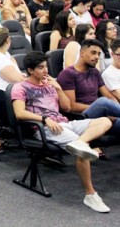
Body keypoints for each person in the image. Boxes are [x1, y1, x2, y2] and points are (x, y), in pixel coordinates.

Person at [11, 51, 112, 212]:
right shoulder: (20, 87)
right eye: (40, 67)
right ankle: (90, 195)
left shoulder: (50, 84)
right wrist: (44, 119)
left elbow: (66, 108)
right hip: (44, 128)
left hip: (65, 123)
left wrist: (58, 88)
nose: (45, 70)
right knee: (83, 152)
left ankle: (81, 142)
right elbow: (19, 113)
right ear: (30, 70)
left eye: (46, 66)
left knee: (105, 121)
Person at [58, 39, 120, 136]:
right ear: (82, 53)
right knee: (102, 102)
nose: (97, 57)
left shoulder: (94, 71)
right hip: (81, 118)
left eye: (99, 54)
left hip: (100, 117)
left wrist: (111, 111)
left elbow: (109, 97)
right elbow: (71, 107)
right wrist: (101, 109)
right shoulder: (68, 74)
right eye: (93, 53)